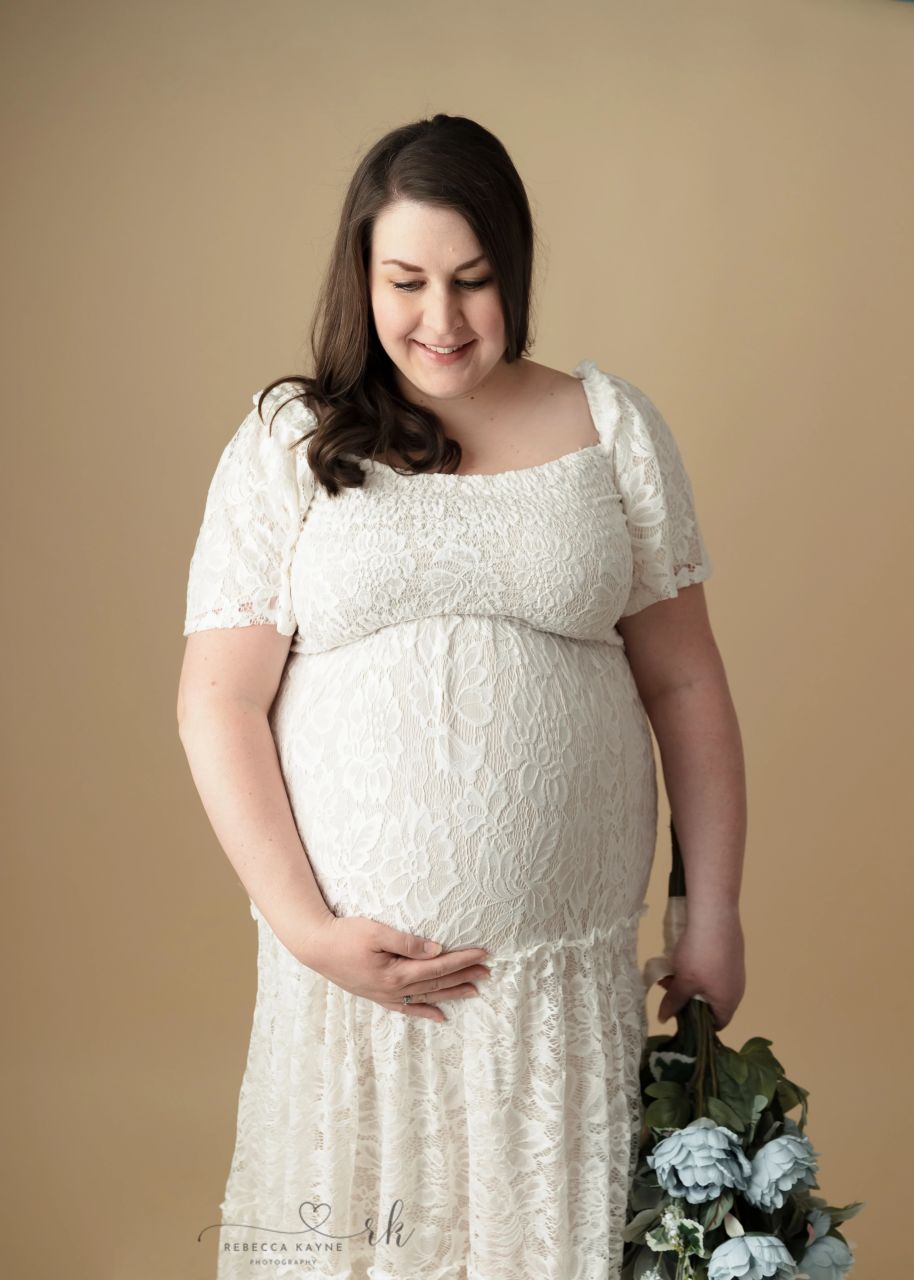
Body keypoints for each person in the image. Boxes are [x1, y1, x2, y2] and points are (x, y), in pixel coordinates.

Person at [177, 113, 747, 1280]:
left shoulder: (609, 426)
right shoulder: (290, 438)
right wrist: (307, 931)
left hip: (555, 1005)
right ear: (361, 278)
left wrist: (712, 907)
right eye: (406, 282)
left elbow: (685, 679)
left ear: (515, 270)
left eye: (472, 282)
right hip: (351, 996)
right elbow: (218, 703)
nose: (439, 320)